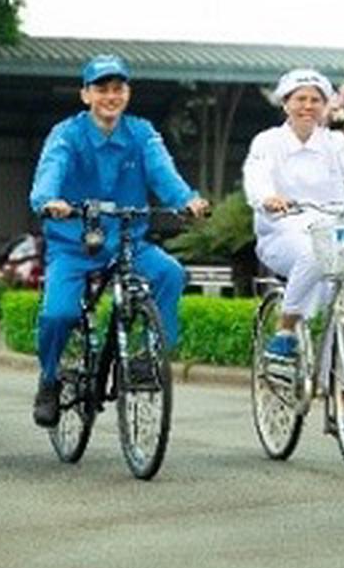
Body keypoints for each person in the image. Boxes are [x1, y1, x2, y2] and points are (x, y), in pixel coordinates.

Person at [28, 54, 211, 427]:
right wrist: (49, 201)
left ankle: (146, 357)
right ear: (86, 95)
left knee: (171, 274)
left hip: (128, 240)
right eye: (101, 89)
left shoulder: (141, 133)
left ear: (127, 93)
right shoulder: (67, 134)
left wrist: (186, 200)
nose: (110, 96)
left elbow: (163, 173)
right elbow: (50, 171)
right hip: (72, 243)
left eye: (118, 89)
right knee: (58, 314)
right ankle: (49, 379)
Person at [241, 68, 344, 444]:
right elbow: (257, 179)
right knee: (312, 254)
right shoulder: (268, 142)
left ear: (324, 106)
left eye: (315, 99)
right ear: (285, 103)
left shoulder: (336, 144)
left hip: (333, 231)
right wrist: (267, 198)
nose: (308, 105)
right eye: (300, 98)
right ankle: (286, 330)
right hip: (282, 232)